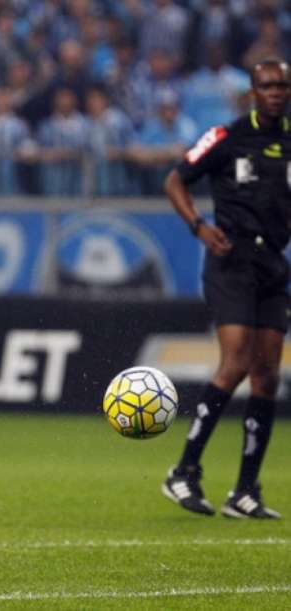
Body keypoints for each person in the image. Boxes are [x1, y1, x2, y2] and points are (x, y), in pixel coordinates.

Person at [160, 58, 291, 520]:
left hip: (274, 264)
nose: (276, 92)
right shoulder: (225, 137)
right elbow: (175, 178)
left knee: (268, 375)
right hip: (230, 259)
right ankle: (184, 471)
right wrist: (198, 225)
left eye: (282, 85)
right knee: (235, 360)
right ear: (253, 91)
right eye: (267, 85)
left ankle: (244, 491)